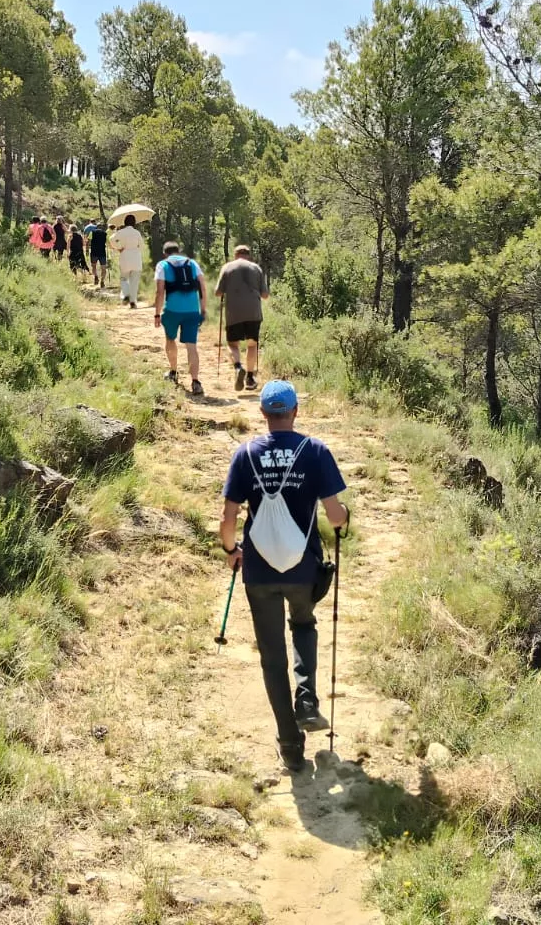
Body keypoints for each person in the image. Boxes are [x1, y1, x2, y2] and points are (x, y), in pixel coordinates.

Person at [220, 380, 350, 771]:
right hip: (302, 567)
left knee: (272, 656)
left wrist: (231, 551)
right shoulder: (315, 452)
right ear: (295, 412)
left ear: (263, 414)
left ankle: (291, 747)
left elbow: (227, 519)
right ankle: (307, 699)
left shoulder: (245, 455)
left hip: (259, 570)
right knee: (304, 625)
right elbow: (336, 515)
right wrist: (344, 520)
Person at [154, 241, 210, 396]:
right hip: (192, 310)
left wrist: (157, 313)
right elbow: (203, 288)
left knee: (170, 340)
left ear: (165, 253)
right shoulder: (192, 263)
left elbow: (159, 292)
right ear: (179, 251)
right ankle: (196, 381)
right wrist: (203, 309)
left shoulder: (162, 265)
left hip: (172, 310)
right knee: (191, 346)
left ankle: (173, 372)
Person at [216, 245, 270, 391]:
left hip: (234, 313)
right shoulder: (256, 268)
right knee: (252, 345)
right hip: (253, 312)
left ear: (236, 255)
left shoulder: (227, 268)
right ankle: (250, 378)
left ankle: (238, 367)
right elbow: (265, 295)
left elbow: (218, 292)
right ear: (248, 255)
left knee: (233, 344)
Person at [110, 214, 145, 307]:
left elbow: (111, 240)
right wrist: (136, 248)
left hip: (125, 256)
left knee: (124, 278)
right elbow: (142, 246)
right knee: (134, 281)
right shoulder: (137, 233)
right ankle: (133, 301)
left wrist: (119, 248)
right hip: (136, 257)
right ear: (134, 222)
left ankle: (126, 294)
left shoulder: (121, 232)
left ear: (125, 222)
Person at [87, 218, 109, 288]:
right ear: (102, 228)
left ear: (96, 227)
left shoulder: (92, 233)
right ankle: (102, 281)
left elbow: (88, 242)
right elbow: (108, 243)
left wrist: (87, 250)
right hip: (102, 253)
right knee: (103, 268)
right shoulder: (105, 234)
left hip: (94, 252)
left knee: (93, 266)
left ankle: (96, 277)